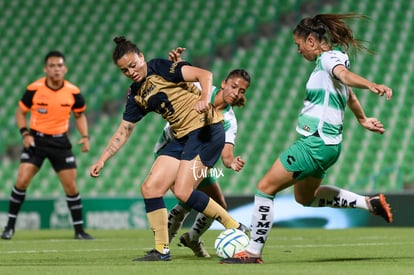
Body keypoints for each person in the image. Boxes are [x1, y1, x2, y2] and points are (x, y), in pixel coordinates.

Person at [221, 13, 393, 264]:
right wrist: (362, 119)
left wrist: (371, 84)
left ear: (311, 40)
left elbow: (345, 77)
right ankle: (369, 203)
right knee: (305, 198)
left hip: (314, 143)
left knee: (264, 188)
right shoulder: (328, 64)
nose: (298, 49)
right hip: (328, 146)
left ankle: (252, 252)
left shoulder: (328, 60)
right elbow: (348, 94)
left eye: (298, 44)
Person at [89, 37, 248, 261]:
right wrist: (102, 159)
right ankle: (162, 250)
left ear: (141, 57)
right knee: (150, 188)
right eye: (125, 70)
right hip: (181, 137)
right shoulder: (136, 95)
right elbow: (124, 129)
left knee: (183, 191)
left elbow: (204, 75)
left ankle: (235, 226)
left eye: (133, 65)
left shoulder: (159, 67)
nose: (131, 72)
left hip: (206, 131)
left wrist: (204, 98)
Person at [154, 48, 251, 258]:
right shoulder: (202, 88)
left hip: (198, 156)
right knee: (186, 196)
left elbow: (226, 156)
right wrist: (179, 63)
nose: (236, 92)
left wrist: (232, 162)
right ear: (224, 83)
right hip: (172, 149)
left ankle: (192, 239)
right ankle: (164, 246)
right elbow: (182, 80)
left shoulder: (229, 121)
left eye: (242, 91)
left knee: (219, 204)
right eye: (234, 86)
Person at [1, 51, 93, 240]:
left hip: (60, 142)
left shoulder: (73, 92)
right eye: (52, 66)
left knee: (71, 187)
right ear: (45, 69)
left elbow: (79, 115)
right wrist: (25, 134)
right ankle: (9, 228)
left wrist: (85, 136)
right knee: (22, 180)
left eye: (59, 65)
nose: (56, 69)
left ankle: (79, 231)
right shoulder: (34, 89)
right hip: (37, 140)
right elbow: (20, 113)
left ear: (65, 68)